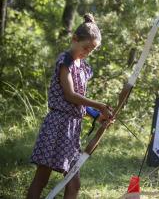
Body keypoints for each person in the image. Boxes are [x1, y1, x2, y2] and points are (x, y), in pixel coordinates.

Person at [27, 13, 114, 199]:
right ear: (74, 39)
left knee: (74, 183)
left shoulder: (84, 67)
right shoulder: (65, 61)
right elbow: (70, 95)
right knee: (42, 179)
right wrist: (100, 105)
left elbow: (79, 100)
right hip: (56, 125)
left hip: (72, 128)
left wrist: (97, 115)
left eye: (92, 50)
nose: (88, 52)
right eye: (86, 47)